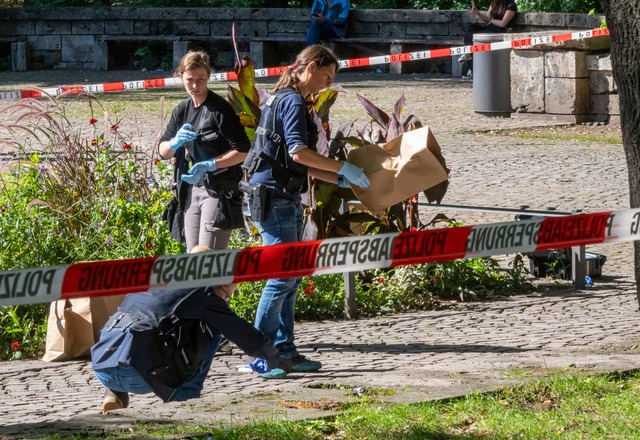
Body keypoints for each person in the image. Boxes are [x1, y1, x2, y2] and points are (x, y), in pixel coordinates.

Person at [242, 45, 370, 372]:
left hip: (279, 194)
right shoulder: (293, 101)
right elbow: (299, 152)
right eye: (326, 76)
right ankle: (262, 354)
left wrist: (336, 177)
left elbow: (295, 162)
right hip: (275, 198)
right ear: (311, 67)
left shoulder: (283, 97)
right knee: (282, 276)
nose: (326, 85)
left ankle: (284, 350)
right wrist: (342, 167)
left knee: (291, 276)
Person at [91, 249, 291, 413]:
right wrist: (277, 360)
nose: (224, 301)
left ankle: (114, 393)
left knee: (131, 336)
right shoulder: (202, 292)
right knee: (214, 330)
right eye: (226, 296)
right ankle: (187, 403)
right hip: (140, 376)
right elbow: (246, 337)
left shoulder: (153, 279)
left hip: (102, 364)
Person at [158, 50, 251, 253]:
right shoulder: (182, 110)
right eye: (190, 80)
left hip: (218, 189)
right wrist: (174, 142)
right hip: (191, 189)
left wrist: (211, 164)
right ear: (180, 77)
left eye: (201, 79)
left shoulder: (220, 109)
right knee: (194, 257)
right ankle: (201, 287)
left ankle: (217, 286)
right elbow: (163, 151)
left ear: (208, 77)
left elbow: (243, 150)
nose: (195, 86)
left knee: (208, 256)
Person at [459, 0, 518, 78]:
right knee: (471, 28)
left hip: (499, 30)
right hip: (490, 27)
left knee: (478, 37)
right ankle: (468, 54)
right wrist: (477, 12)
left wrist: (491, 21)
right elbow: (487, 19)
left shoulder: (511, 5)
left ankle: (471, 65)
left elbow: (503, 23)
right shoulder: (493, 3)